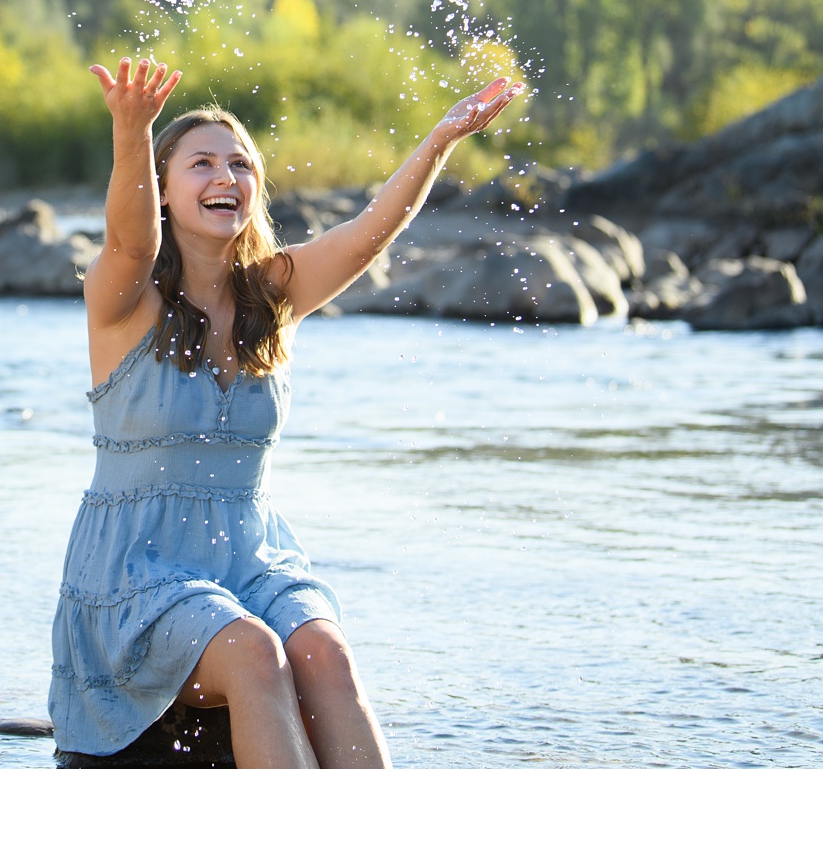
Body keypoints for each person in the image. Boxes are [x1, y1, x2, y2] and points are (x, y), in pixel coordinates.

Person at [49, 55, 520, 768]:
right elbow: (130, 239)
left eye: (240, 164)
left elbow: (366, 235)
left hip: (251, 556)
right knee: (254, 652)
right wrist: (131, 130)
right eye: (201, 164)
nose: (224, 177)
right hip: (139, 572)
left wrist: (441, 140)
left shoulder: (271, 296)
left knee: (325, 651)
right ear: (164, 190)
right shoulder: (125, 298)